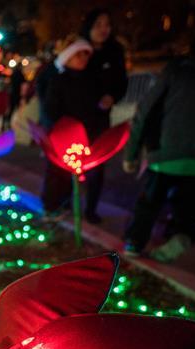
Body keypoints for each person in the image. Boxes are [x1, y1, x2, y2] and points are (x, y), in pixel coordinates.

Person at [122, 20, 195, 262]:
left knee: (151, 202)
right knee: (190, 206)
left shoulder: (177, 69)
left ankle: (135, 243)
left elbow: (146, 110)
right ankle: (182, 235)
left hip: (166, 152)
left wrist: (131, 153)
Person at [41, 39, 106, 219]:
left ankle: (67, 204)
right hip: (63, 135)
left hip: (86, 135)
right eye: (79, 54)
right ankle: (51, 207)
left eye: (86, 54)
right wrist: (59, 128)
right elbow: (50, 107)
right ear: (68, 57)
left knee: (77, 174)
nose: (83, 58)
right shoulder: (58, 80)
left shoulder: (91, 81)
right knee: (57, 172)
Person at [79, 8, 128, 223]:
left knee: (96, 166)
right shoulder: (79, 48)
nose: (103, 29)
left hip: (100, 119)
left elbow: (121, 81)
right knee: (68, 163)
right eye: (98, 24)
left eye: (107, 24)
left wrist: (112, 96)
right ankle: (59, 203)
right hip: (75, 117)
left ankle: (90, 209)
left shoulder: (115, 50)